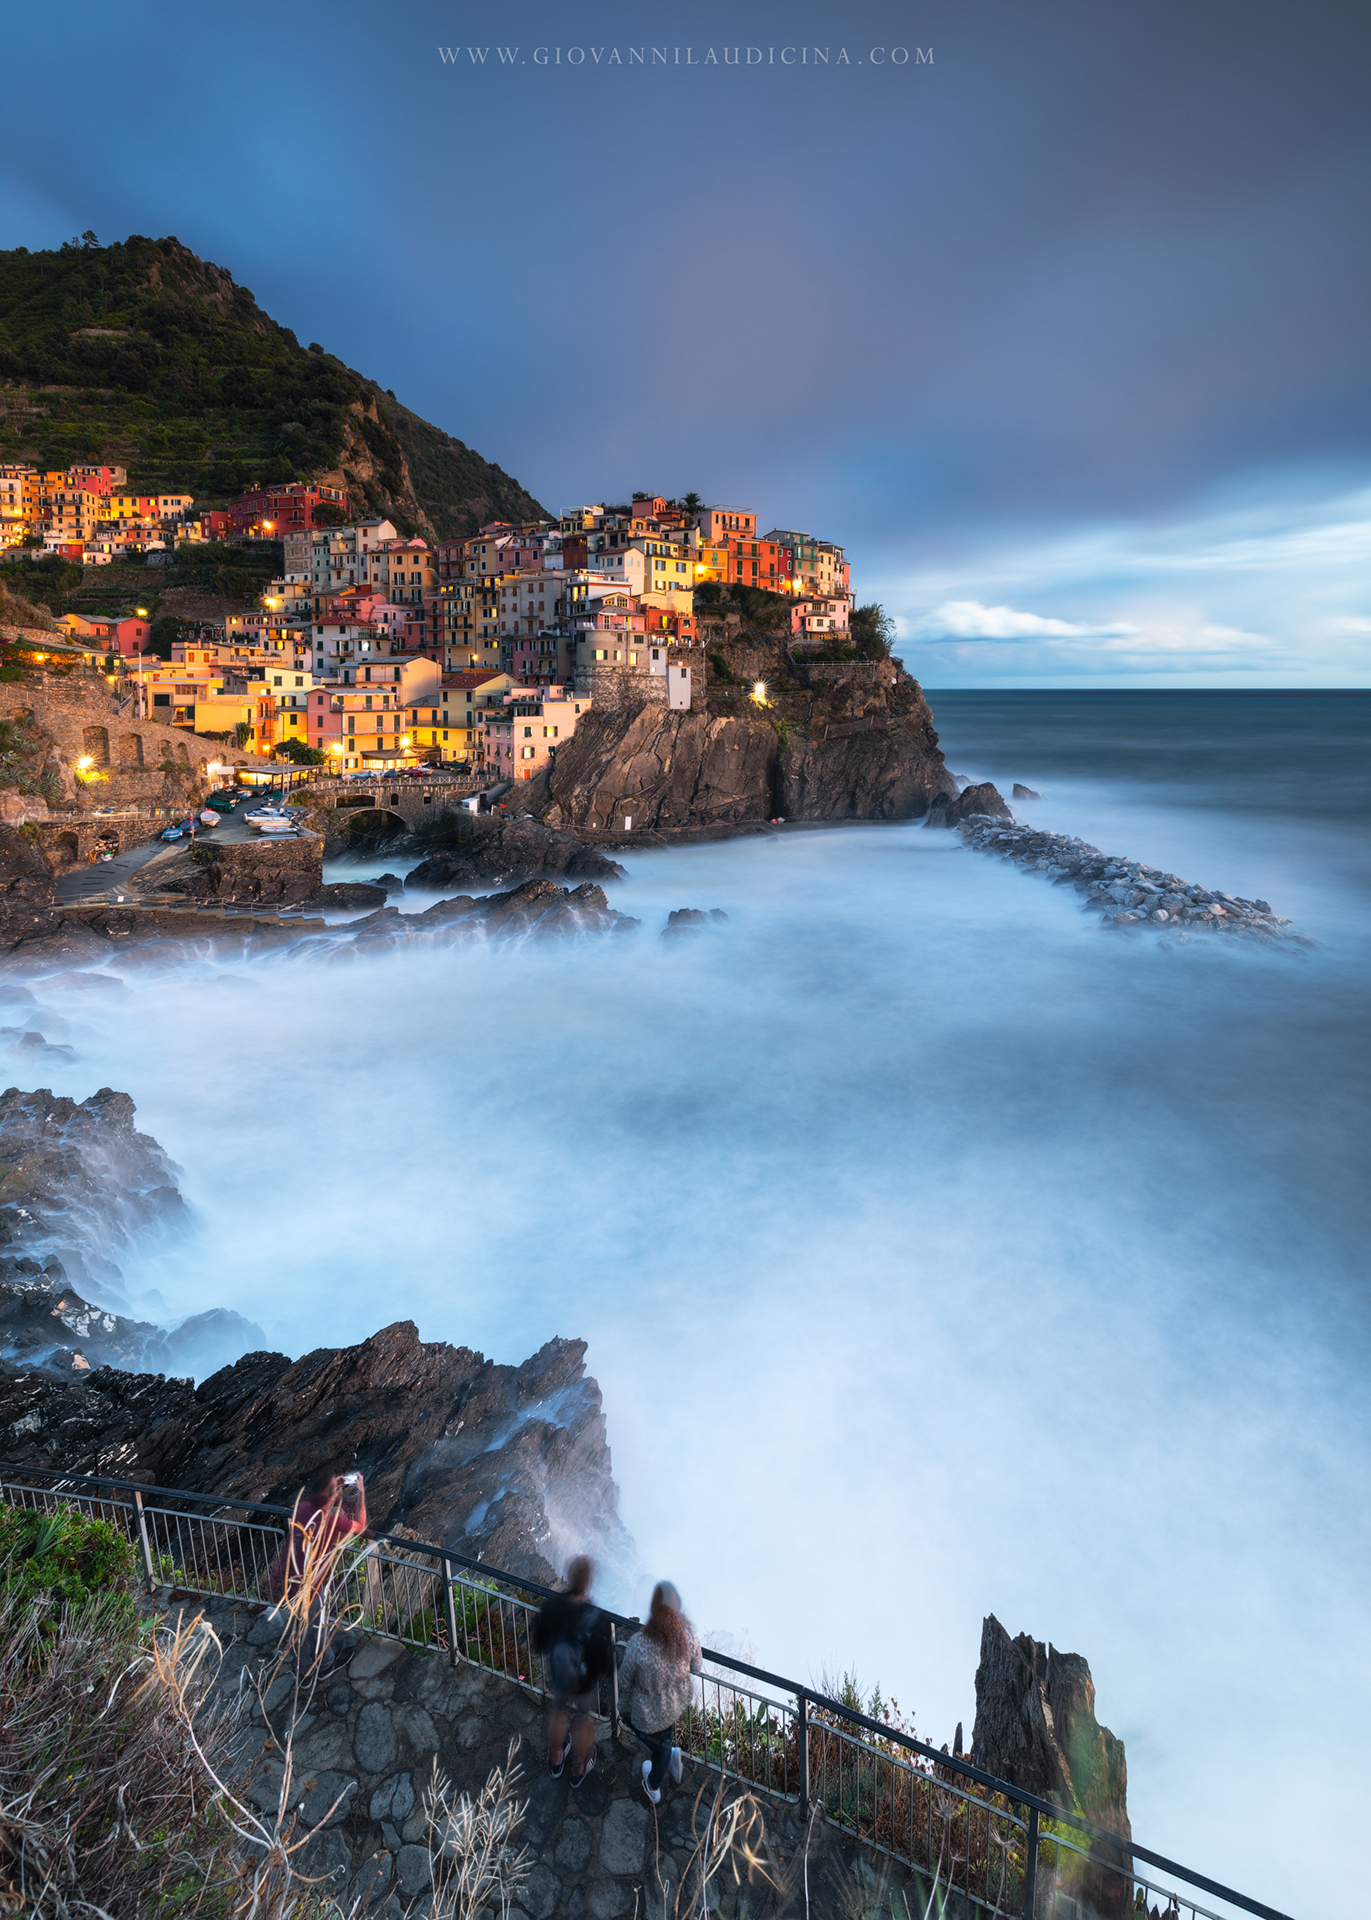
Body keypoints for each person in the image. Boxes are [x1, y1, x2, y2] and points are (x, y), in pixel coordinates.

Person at [269, 1464, 367, 1676]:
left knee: (298, 1626)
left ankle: (302, 1669)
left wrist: (333, 1485)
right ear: (329, 1496)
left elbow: (320, 1500)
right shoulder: (329, 1521)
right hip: (309, 1584)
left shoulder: (301, 1507)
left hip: (288, 1576)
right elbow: (360, 1525)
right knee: (317, 1626)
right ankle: (325, 1666)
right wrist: (360, 1491)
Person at [617, 1581, 703, 1804]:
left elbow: (624, 1679)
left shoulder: (639, 1643)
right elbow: (696, 1667)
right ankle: (669, 1755)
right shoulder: (689, 1636)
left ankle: (653, 1787)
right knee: (663, 1739)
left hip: (646, 1708)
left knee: (657, 1742)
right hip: (673, 1704)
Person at [532, 1555, 614, 1785]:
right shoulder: (595, 1618)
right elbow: (604, 1662)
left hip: (559, 1674)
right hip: (584, 1679)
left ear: (569, 1578)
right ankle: (579, 1769)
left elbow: (538, 1642)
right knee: (584, 1720)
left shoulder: (551, 1607)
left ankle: (557, 1758)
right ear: (588, 1583)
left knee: (557, 1712)